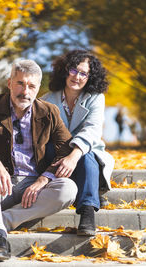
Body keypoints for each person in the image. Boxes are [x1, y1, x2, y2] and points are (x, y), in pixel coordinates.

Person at [0, 59, 78, 263]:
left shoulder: (49, 112)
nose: (25, 91)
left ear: (37, 89)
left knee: (68, 188)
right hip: (1, 184)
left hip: (33, 188)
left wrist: (43, 179)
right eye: (20, 83)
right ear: (9, 83)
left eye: (31, 86)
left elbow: (65, 148)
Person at [41, 49, 114, 236]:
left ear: (90, 77)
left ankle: (88, 212)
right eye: (73, 70)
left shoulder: (96, 98)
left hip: (85, 150)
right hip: (55, 151)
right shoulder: (46, 100)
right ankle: (90, 192)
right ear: (65, 71)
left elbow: (93, 129)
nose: (77, 77)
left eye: (84, 73)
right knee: (72, 155)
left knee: (86, 156)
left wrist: (74, 155)